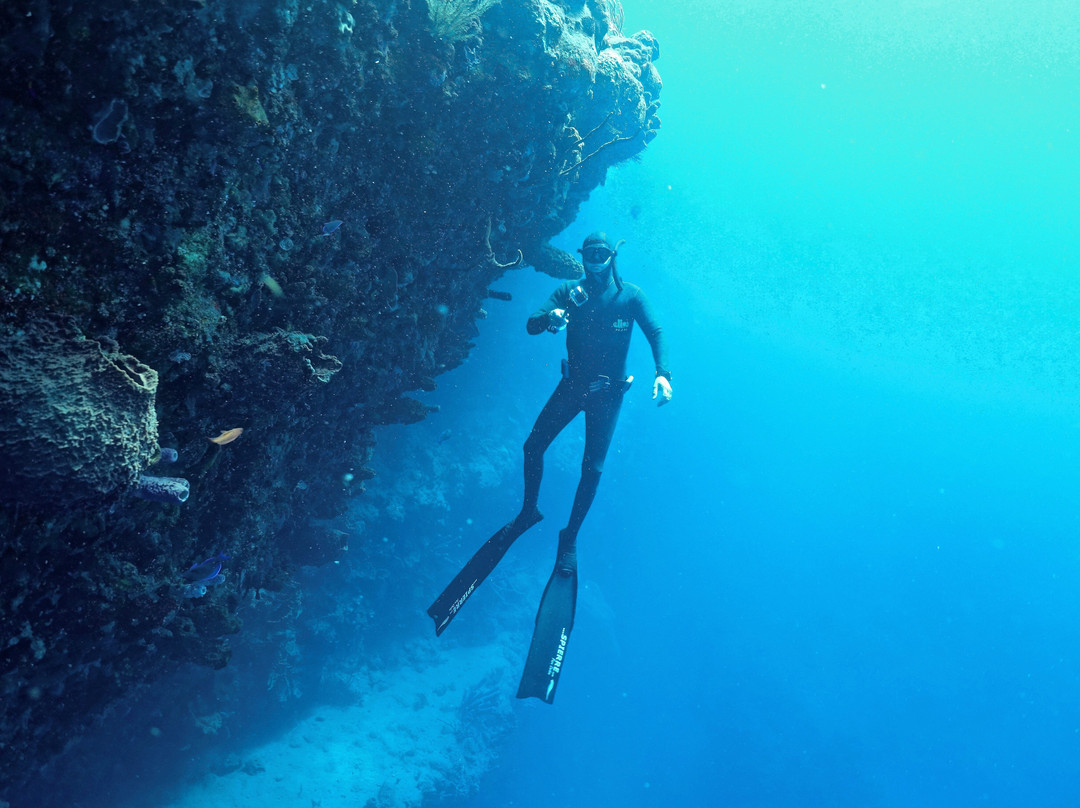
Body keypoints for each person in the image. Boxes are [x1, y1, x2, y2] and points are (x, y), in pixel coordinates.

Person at [427, 231, 672, 703]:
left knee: (593, 470)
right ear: (581, 258)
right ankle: (528, 512)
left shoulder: (631, 296)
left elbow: (656, 331)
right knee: (531, 446)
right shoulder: (570, 292)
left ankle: (570, 538)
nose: (595, 263)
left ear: (613, 257)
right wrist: (552, 318)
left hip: (608, 396)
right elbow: (532, 323)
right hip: (573, 386)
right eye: (589, 256)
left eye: (602, 255)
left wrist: (663, 372)